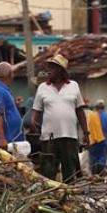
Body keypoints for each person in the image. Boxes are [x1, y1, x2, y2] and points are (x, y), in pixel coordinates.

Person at [31, 54, 89, 182]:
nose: (48, 70)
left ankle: (69, 198)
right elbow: (36, 110)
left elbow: (80, 110)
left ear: (61, 70)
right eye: (48, 67)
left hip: (70, 136)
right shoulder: (43, 88)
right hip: (49, 138)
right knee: (48, 172)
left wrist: (86, 132)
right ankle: (49, 199)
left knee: (70, 172)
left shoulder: (73, 86)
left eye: (52, 67)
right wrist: (33, 121)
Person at [0, 62, 24, 155]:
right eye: (13, 73)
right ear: (9, 74)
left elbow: (3, 109)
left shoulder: (2, 89)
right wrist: (2, 138)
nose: (13, 76)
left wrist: (14, 104)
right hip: (5, 141)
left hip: (11, 139)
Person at [84, 99, 107, 174]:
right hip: (101, 139)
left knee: (93, 161)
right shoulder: (95, 114)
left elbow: (87, 128)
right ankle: (100, 175)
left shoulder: (86, 116)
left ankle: (95, 176)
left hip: (93, 141)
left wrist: (86, 139)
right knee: (100, 159)